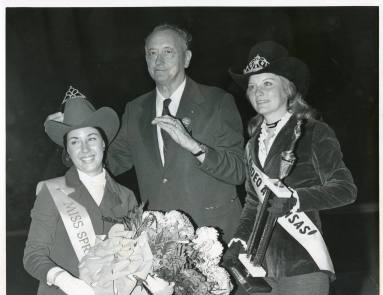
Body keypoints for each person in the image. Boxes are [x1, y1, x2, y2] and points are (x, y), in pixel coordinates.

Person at [47, 24, 245, 243]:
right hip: (161, 239)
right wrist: (71, 136)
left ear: (187, 58)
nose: (158, 61)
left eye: (168, 52)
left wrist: (194, 146)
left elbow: (238, 171)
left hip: (214, 233)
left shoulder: (218, 102)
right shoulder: (135, 109)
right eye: (152, 53)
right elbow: (110, 162)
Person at [224, 41, 357, 295]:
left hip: (303, 268)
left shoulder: (313, 132)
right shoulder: (252, 145)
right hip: (259, 271)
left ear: (288, 89)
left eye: (267, 83)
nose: (258, 92)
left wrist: (295, 200)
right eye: (252, 87)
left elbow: (346, 190)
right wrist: (239, 240)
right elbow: (253, 203)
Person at [24, 86, 174, 295]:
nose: (84, 149)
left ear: (104, 143)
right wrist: (64, 280)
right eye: (75, 141)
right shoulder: (53, 191)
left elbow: (135, 257)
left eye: (91, 138)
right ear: (67, 150)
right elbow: (33, 255)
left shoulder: (127, 196)